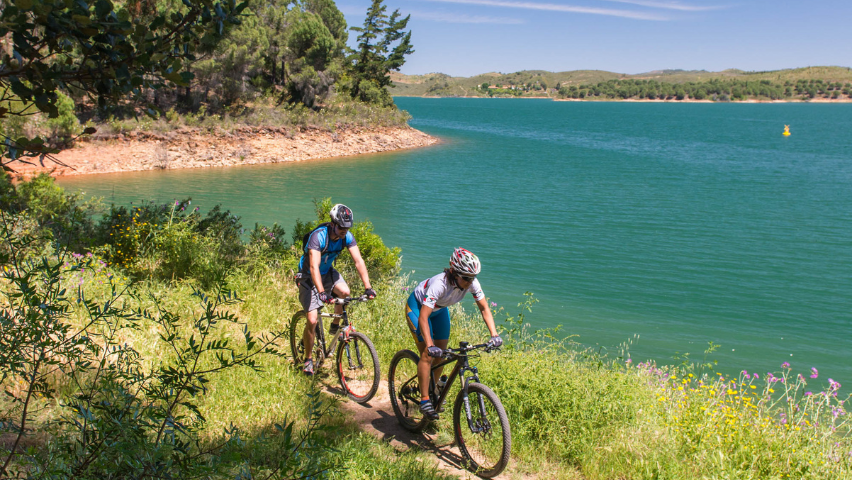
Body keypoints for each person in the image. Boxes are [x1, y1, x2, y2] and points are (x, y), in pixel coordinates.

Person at [404, 247, 501, 420]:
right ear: (454, 272)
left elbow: (484, 308)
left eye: (473, 278)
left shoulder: (471, 282)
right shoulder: (439, 284)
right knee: (428, 353)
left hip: (440, 311)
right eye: (466, 278)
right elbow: (424, 318)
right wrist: (430, 344)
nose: (470, 282)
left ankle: (432, 389)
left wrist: (494, 334)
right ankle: (424, 399)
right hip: (418, 309)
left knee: (441, 355)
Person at [297, 204, 376, 376]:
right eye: (341, 227)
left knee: (345, 293)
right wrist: (322, 292)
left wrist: (368, 287)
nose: (344, 231)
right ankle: (308, 360)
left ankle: (334, 326)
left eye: (347, 228)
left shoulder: (346, 237)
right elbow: (313, 267)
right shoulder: (318, 237)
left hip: (327, 272)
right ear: (333, 223)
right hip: (308, 275)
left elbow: (358, 261)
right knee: (311, 320)